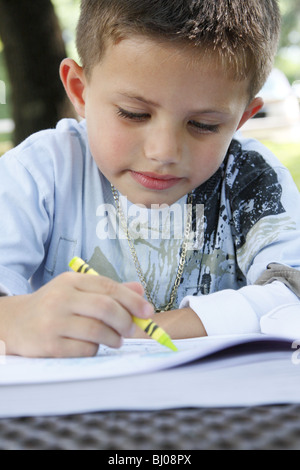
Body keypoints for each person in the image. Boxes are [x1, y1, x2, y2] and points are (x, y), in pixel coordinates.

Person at [0, 0, 300, 358]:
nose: (164, 152)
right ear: (80, 90)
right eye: (134, 114)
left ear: (241, 119)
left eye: (203, 125)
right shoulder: (41, 170)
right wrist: (15, 320)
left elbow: (292, 291)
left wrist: (134, 331)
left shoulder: (252, 177)